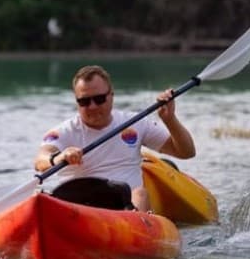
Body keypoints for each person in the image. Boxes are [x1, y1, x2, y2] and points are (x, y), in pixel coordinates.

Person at [34, 65, 196, 212]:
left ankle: (136, 224)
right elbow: (40, 161)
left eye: (99, 99)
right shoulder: (64, 131)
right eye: (84, 101)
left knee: (140, 194)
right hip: (77, 206)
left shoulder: (136, 123)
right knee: (39, 195)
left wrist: (170, 120)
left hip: (125, 206)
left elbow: (186, 152)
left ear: (111, 95)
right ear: (77, 102)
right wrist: (59, 157)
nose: (92, 106)